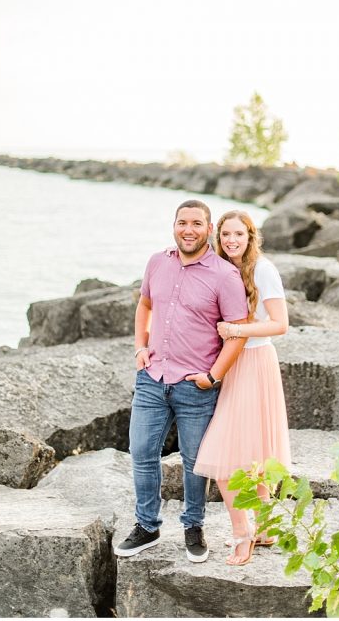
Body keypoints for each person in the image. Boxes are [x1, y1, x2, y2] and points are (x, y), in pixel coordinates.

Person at [114, 200, 250, 563]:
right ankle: (147, 526)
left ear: (208, 229)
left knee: (195, 462)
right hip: (152, 378)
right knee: (142, 453)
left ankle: (194, 526)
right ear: (174, 226)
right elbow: (144, 304)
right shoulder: (157, 262)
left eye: (196, 224)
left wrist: (212, 376)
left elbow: (238, 333)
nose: (188, 229)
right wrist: (140, 346)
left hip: (196, 385)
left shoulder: (225, 275)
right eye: (182, 223)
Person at [194, 209, 291, 565]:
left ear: (251, 236)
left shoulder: (263, 269)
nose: (231, 240)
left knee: (223, 460)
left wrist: (237, 330)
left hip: (254, 363)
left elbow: (280, 324)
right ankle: (266, 526)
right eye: (225, 235)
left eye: (239, 234)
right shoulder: (221, 268)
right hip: (230, 363)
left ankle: (242, 535)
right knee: (252, 454)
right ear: (217, 238)